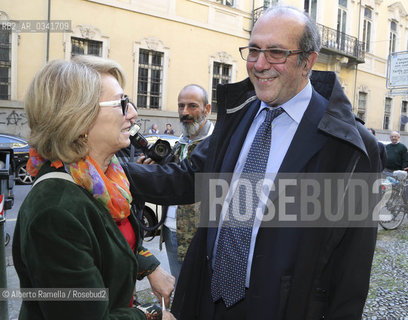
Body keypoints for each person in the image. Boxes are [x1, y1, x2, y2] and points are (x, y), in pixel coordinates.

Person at [124, 6, 381, 320]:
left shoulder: (349, 147)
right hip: (208, 300)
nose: (260, 64)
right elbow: (190, 177)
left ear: (308, 61)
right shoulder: (240, 115)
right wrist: (110, 169)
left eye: (275, 53)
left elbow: (352, 266)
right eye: (254, 50)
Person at [12, 56, 176, 320]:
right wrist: (151, 315)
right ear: (79, 118)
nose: (133, 113)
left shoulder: (105, 179)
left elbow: (113, 242)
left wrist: (149, 267)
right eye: (122, 103)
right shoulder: (55, 212)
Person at [161, 84, 213, 284]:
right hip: (170, 229)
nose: (185, 112)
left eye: (192, 106)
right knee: (180, 291)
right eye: (181, 106)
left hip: (199, 236)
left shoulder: (217, 144)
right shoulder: (179, 143)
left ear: (207, 109)